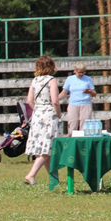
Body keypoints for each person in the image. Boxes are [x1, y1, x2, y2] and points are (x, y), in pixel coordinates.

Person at [24, 56, 62, 186]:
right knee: (47, 148)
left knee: (46, 149)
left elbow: (29, 101)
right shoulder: (52, 80)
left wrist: (38, 110)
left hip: (37, 115)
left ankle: (55, 180)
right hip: (49, 116)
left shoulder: (35, 80)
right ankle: (31, 174)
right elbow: (55, 101)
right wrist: (58, 114)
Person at [58, 63, 96, 135]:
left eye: (83, 72)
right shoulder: (70, 79)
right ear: (75, 71)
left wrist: (90, 92)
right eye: (79, 72)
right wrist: (55, 99)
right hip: (73, 104)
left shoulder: (88, 79)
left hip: (86, 104)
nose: (81, 74)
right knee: (72, 124)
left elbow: (94, 94)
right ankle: (71, 140)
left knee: (85, 126)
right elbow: (64, 92)